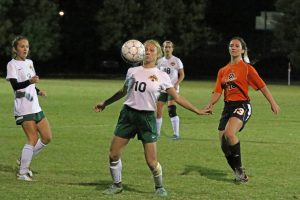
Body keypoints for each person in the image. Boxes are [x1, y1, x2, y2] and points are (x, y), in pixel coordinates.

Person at [95, 39, 211, 196]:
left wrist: (197, 110)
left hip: (147, 118)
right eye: (146, 50)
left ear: (158, 55)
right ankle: (117, 185)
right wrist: (106, 103)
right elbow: (123, 91)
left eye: (152, 50)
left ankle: (159, 187)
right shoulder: (132, 71)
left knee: (151, 162)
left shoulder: (162, 76)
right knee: (113, 154)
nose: (148, 52)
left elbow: (177, 98)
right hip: (128, 115)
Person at [205, 36, 280, 183]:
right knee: (224, 145)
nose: (233, 47)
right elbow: (217, 91)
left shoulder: (247, 68)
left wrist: (273, 102)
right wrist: (211, 104)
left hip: (242, 105)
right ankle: (239, 174)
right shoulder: (223, 70)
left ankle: (239, 171)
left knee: (229, 133)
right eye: (231, 45)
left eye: (237, 46)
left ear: (243, 50)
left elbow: (262, 86)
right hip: (227, 107)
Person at [6, 36, 53, 181]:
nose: (25, 49)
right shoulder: (12, 65)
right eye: (21, 46)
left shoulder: (30, 62)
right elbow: (16, 86)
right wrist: (30, 81)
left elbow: (30, 83)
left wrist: (38, 90)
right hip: (24, 108)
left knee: (47, 137)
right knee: (32, 139)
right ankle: (22, 173)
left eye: (27, 46)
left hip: (35, 106)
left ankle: (23, 159)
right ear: (15, 49)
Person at [156, 41, 185, 140]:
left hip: (172, 89)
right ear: (163, 48)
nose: (167, 49)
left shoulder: (177, 60)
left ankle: (176, 134)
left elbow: (182, 75)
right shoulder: (159, 61)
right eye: (165, 47)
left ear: (172, 48)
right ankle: (157, 134)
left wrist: (176, 84)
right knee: (158, 111)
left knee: (171, 110)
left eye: (169, 47)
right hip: (162, 89)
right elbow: (157, 75)